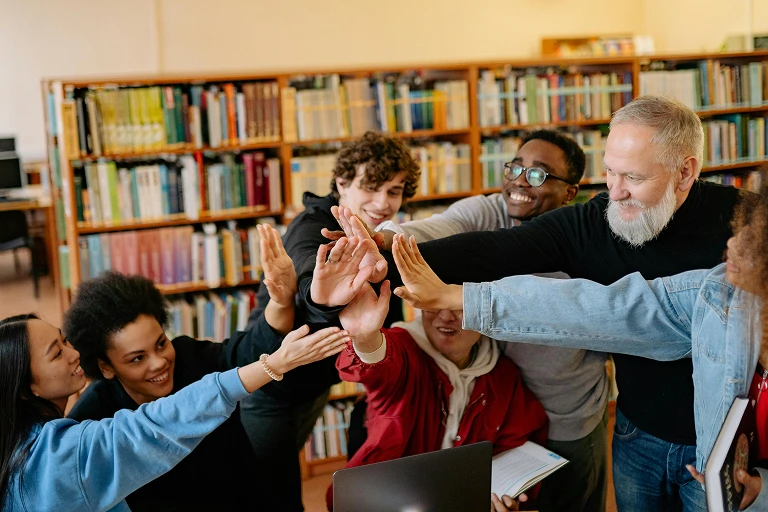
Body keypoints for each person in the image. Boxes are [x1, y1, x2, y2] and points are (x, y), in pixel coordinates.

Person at [335, 95, 746, 511]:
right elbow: (492, 250)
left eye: (633, 178)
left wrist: (755, 453)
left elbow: (615, 311)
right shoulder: (597, 219)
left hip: (724, 444)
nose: (614, 191)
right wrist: (382, 249)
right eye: (609, 171)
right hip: (636, 433)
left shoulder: (747, 227)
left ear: (685, 171)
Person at [387, 179, 768, 511]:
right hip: (653, 440)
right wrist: (456, 296)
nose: (729, 248)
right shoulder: (716, 293)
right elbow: (602, 311)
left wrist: (764, 488)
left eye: (750, 243)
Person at [372, 130, 610, 512]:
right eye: (515, 167)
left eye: (538, 174)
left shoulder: (584, 239)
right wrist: (381, 239)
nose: (519, 180)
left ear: (569, 192)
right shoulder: (489, 212)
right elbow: (437, 227)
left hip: (565, 415)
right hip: (502, 413)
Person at [63, 224, 350, 511]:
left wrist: (280, 300)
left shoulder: (190, 357)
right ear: (105, 366)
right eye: (137, 358)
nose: (159, 362)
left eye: (161, 343)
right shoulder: (93, 418)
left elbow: (249, 350)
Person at [0, 311, 347, 512]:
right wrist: (273, 365)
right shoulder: (67, 452)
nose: (73, 353)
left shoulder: (18, 443)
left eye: (65, 340)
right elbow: (158, 424)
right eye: (56, 353)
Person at [240, 131, 421, 511]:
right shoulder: (314, 227)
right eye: (371, 188)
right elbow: (308, 270)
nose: (383, 202)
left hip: (313, 382)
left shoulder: (380, 238)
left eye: (394, 191)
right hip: (267, 383)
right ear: (341, 182)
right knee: (274, 496)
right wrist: (321, 294)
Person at [313, 237, 548, 511]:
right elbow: (376, 365)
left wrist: (504, 492)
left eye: (459, 303)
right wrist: (365, 338)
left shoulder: (501, 372)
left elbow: (515, 442)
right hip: (386, 498)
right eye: (432, 301)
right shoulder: (405, 347)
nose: (444, 316)